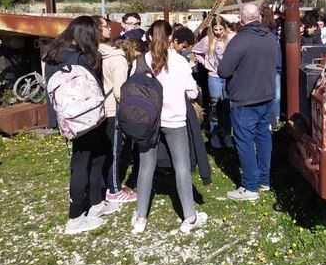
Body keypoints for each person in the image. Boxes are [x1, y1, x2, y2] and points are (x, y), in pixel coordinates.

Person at [44, 16, 119, 235]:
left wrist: (55, 120)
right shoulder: (80, 58)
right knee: (83, 163)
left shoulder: (52, 55)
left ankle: (96, 204)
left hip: (68, 118)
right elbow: (93, 89)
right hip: (87, 117)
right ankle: (75, 217)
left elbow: (50, 91)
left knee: (96, 156)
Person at [131, 20, 207, 234]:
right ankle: (189, 217)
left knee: (146, 167)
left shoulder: (141, 60)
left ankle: (140, 217)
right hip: (174, 119)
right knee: (181, 168)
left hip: (148, 121)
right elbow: (192, 92)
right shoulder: (180, 61)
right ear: (171, 37)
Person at [218, 4, 279, 201]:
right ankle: (264, 180)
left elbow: (223, 71)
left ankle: (250, 187)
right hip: (266, 95)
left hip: (245, 98)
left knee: (244, 142)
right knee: (263, 138)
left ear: (241, 18)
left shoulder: (240, 40)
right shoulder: (271, 37)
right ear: (259, 17)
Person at [92, 16, 137, 203]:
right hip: (112, 108)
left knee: (101, 150)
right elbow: (120, 92)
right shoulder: (116, 58)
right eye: (106, 26)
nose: (110, 29)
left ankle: (103, 183)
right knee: (115, 150)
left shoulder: (94, 53)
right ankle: (114, 188)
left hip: (96, 108)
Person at [191, 16, 235, 149]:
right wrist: (205, 63)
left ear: (225, 27)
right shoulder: (207, 40)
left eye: (221, 29)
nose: (218, 32)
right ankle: (214, 134)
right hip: (214, 76)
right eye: (215, 29)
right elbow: (195, 51)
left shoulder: (232, 37)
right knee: (214, 106)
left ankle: (227, 134)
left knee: (228, 105)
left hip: (228, 76)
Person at [260, 6, 282, 129]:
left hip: (274, 67)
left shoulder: (273, 32)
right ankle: (272, 119)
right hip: (270, 66)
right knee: (273, 95)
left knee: (275, 95)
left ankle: (275, 118)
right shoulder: (270, 33)